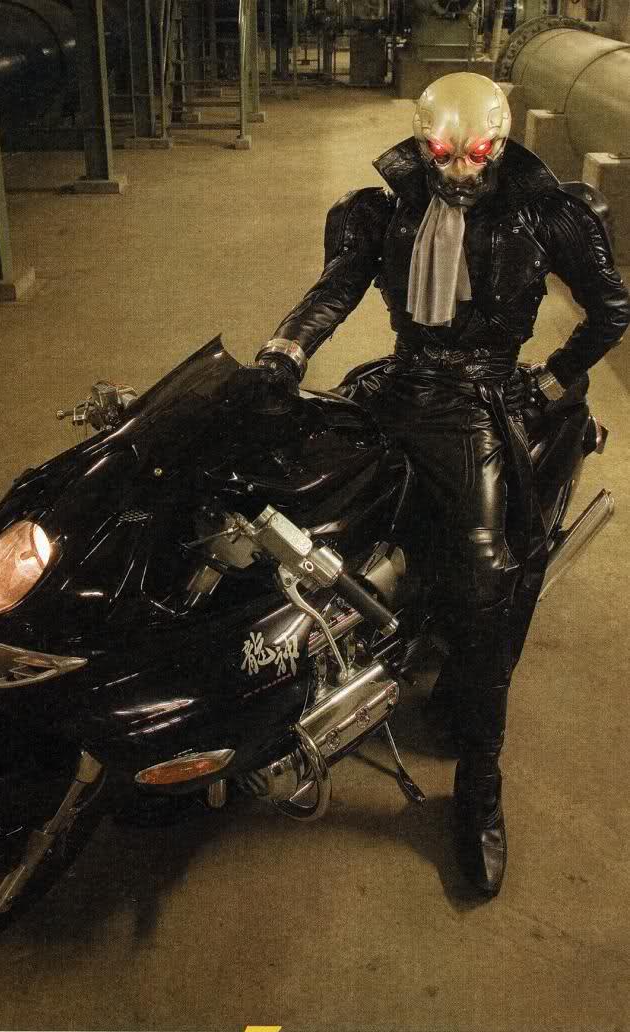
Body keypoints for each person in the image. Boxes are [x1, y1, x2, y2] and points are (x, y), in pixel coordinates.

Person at [253, 72, 630, 896]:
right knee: (288, 496)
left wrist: (551, 377)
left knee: (485, 582)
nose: (459, 170)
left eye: (477, 153)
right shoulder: (381, 208)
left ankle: (481, 783)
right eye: (442, 153)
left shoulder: (547, 213)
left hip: (479, 402)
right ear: (423, 144)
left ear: (500, 142)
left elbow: (611, 307)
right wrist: (287, 346)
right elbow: (336, 287)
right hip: (397, 381)